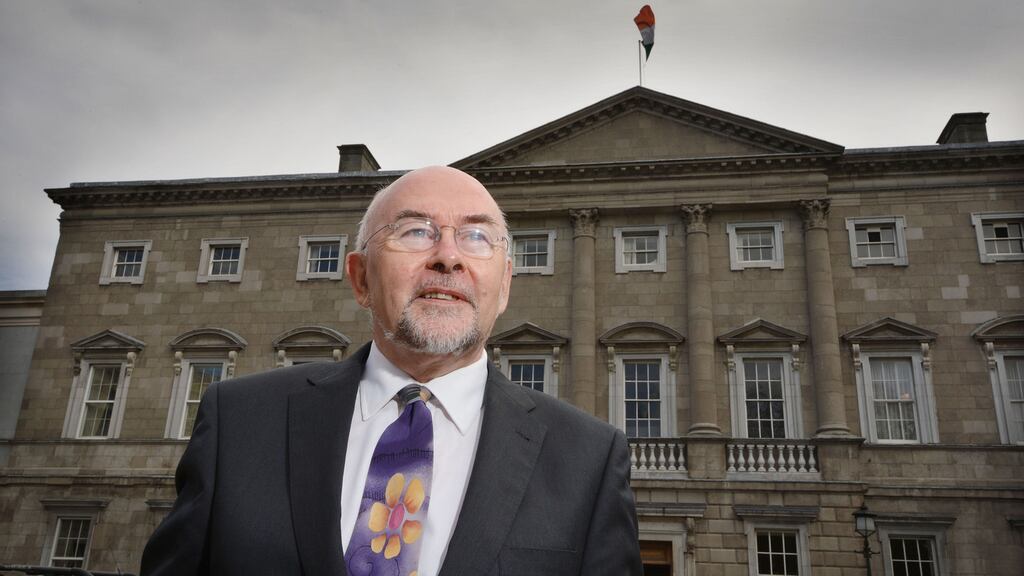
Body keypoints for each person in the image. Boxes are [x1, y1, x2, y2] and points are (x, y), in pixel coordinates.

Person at [140, 166, 642, 576]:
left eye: (476, 236)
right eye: (416, 231)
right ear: (360, 278)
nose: (447, 257)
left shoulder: (588, 460)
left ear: (505, 284)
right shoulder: (240, 422)